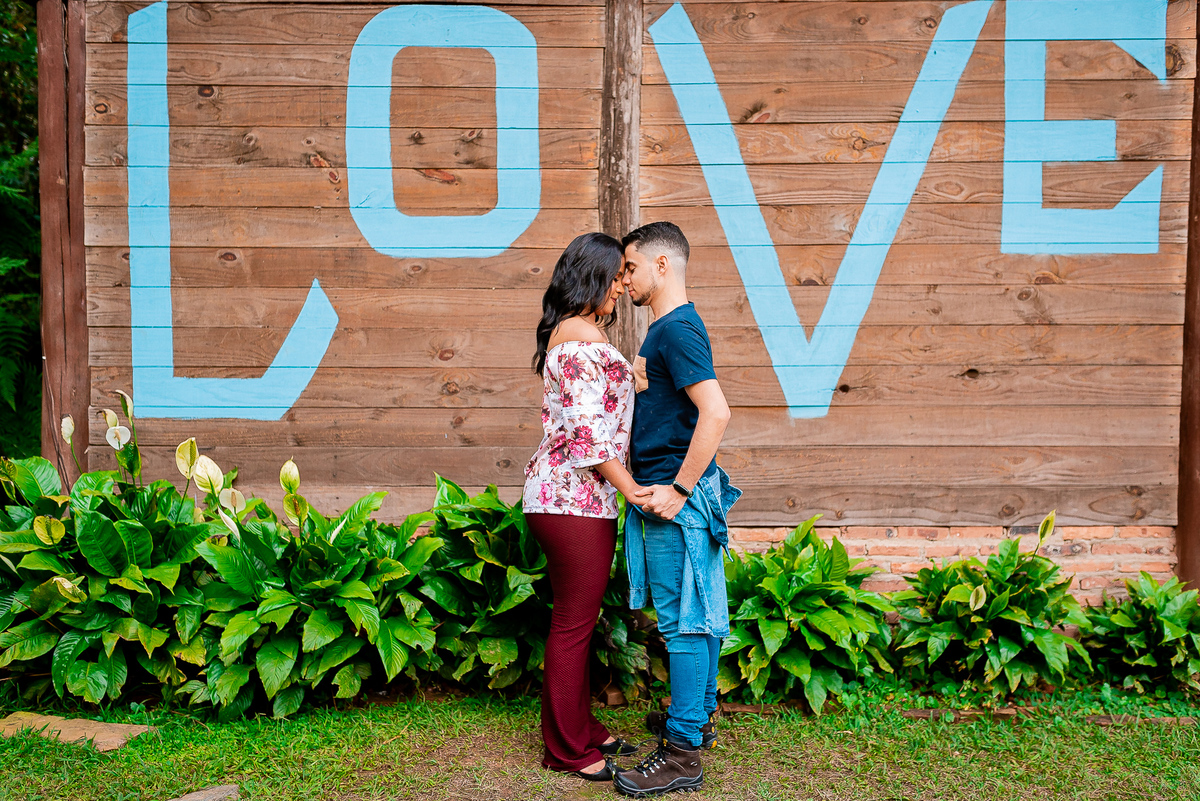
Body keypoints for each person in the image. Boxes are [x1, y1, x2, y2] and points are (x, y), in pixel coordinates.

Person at [611, 221, 741, 797]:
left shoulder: (677, 331)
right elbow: (680, 406)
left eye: (631, 267)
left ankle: (683, 751)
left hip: (675, 498)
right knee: (700, 613)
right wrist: (643, 386)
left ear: (663, 265)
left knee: (684, 623)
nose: (625, 279)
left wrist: (679, 489)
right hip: (681, 491)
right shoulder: (670, 331)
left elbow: (716, 412)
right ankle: (700, 715)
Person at [522, 232, 642, 780]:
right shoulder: (575, 340)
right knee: (573, 623)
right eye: (616, 275)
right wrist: (634, 490)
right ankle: (566, 749)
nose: (621, 285)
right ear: (592, 275)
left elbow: (603, 405)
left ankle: (582, 726)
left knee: (581, 621)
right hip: (570, 499)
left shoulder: (581, 337)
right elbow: (587, 437)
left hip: (581, 500)